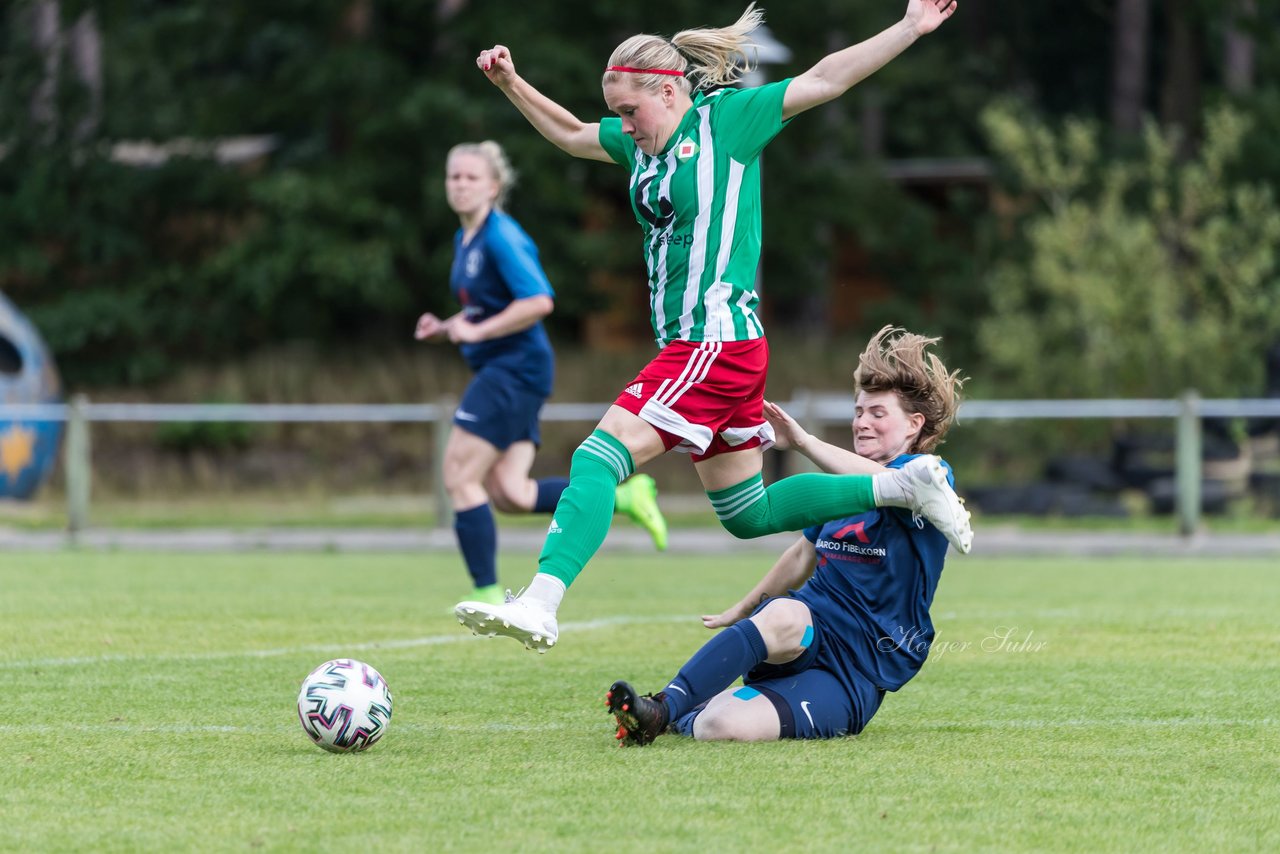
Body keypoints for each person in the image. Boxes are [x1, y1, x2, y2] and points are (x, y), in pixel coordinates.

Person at [456, 1, 970, 651]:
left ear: (668, 91)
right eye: (616, 112)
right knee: (746, 513)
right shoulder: (636, 145)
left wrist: (908, 27)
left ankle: (541, 601)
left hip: (714, 342)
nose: (623, 124)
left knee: (597, 458)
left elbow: (826, 78)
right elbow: (568, 132)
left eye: (630, 111)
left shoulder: (726, 123)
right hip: (714, 349)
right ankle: (900, 486)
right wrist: (510, 83)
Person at [606, 326, 965, 744]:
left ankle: (692, 712)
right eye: (858, 411)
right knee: (782, 613)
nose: (861, 423)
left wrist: (804, 442)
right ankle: (662, 706)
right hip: (804, 632)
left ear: (913, 425)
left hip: (855, 672)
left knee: (715, 726)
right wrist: (743, 610)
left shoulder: (930, 479)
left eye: (877, 414)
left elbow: (894, 482)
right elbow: (800, 556)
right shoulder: (844, 487)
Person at [417, 141, 668, 606]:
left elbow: (538, 301)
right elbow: (483, 309)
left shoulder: (501, 236)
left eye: (471, 177)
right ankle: (628, 496)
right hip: (509, 369)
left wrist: (478, 333)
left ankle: (488, 593)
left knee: (458, 476)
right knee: (510, 493)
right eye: (454, 177)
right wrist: (449, 328)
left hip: (513, 370)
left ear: (493, 186)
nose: (461, 185)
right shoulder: (466, 238)